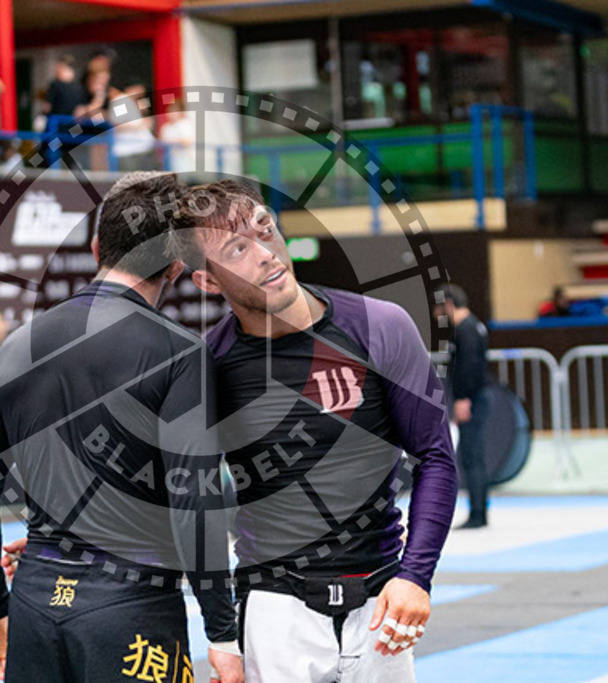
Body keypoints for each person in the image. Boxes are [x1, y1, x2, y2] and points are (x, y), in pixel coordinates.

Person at [0, 173, 243, 683]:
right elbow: (193, 499)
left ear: (94, 249)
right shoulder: (178, 354)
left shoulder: (17, 346)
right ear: (175, 266)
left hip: (37, 600)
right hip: (131, 606)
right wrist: (222, 631)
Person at [170, 179, 457, 681]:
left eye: (266, 228)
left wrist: (416, 576)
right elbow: (183, 496)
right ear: (208, 282)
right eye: (238, 248)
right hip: (276, 611)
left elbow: (434, 456)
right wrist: (65, 541)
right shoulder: (206, 367)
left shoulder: (379, 326)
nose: (265, 253)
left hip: (381, 603)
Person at [443, 284, 491, 529]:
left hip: (472, 398)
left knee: (471, 456)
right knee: (473, 456)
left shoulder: (466, 330)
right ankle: (479, 510)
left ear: (450, 304)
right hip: (475, 396)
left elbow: (469, 367)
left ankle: (478, 513)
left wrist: (463, 399)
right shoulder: (475, 326)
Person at [158, 102, 194, 173]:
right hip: (168, 160)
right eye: (169, 111)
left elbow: (187, 142)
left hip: (183, 160)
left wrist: (170, 142)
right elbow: (160, 142)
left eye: (174, 111)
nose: (171, 114)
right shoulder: (165, 127)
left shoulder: (185, 124)